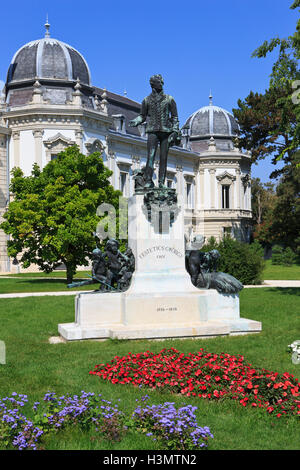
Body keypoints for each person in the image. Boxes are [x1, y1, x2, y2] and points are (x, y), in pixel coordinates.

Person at [129, 74, 181, 189]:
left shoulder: (169, 99)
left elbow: (175, 118)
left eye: (162, 82)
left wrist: (175, 131)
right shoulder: (146, 100)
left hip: (166, 131)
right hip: (152, 130)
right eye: (159, 82)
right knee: (150, 156)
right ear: (153, 84)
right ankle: (148, 180)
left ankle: (162, 182)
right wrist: (135, 121)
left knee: (163, 158)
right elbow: (142, 116)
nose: (162, 84)